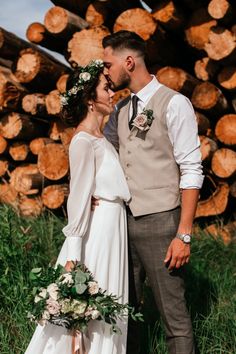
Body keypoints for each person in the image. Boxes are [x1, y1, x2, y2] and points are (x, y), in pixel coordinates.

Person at [102, 31, 204, 354]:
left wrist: (183, 234)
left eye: (109, 64)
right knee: (125, 314)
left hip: (162, 223)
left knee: (173, 318)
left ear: (128, 62)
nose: (106, 71)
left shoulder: (174, 104)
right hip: (123, 226)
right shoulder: (119, 110)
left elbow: (191, 170)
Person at [24, 60, 131, 354]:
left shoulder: (102, 139)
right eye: (106, 88)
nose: (112, 93)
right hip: (96, 239)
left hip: (113, 231)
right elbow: (78, 201)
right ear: (89, 99)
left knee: (112, 318)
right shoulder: (83, 141)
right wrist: (73, 264)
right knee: (93, 322)